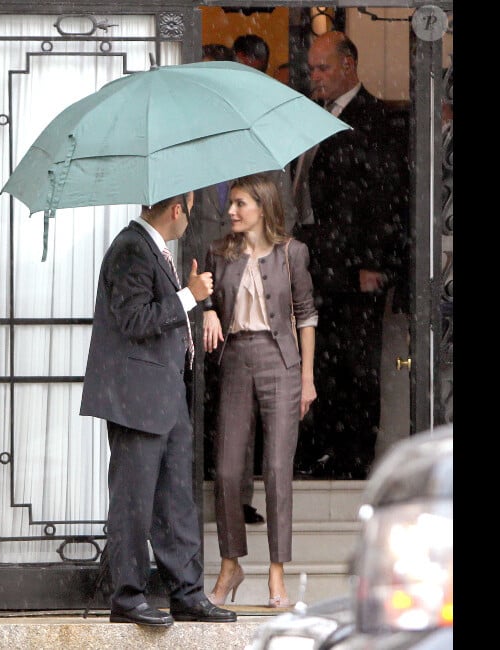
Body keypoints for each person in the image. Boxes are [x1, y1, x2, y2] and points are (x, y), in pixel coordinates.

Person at [80, 192, 237, 627]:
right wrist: (189, 296)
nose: (192, 219)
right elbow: (134, 320)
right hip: (135, 396)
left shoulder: (156, 250)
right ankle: (127, 597)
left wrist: (188, 296)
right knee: (134, 500)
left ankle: (187, 594)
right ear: (175, 210)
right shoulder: (130, 248)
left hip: (163, 392)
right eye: (189, 209)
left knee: (175, 500)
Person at [292, 31, 408, 479]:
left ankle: (353, 455)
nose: (315, 77)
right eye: (312, 69)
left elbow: (385, 197)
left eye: (322, 68)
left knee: (356, 362)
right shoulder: (315, 116)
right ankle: (323, 448)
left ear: (348, 66)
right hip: (318, 264)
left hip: (353, 266)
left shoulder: (375, 118)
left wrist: (373, 263)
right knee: (321, 358)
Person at [202, 173, 317, 608]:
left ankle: (276, 573)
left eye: (239, 203)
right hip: (235, 362)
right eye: (230, 203)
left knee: (275, 470)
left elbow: (306, 315)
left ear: (263, 207)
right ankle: (231, 564)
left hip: (281, 363)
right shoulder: (217, 252)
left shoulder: (293, 253)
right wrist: (208, 311)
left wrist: (307, 378)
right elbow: (200, 295)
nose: (231, 211)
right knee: (228, 470)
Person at [196, 40, 298, 524]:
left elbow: (285, 228)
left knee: (249, 409)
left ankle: (239, 500)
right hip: (196, 297)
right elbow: (180, 234)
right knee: (200, 402)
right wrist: (200, 300)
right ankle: (198, 492)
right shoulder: (190, 156)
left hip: (251, 302)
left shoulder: (267, 159)